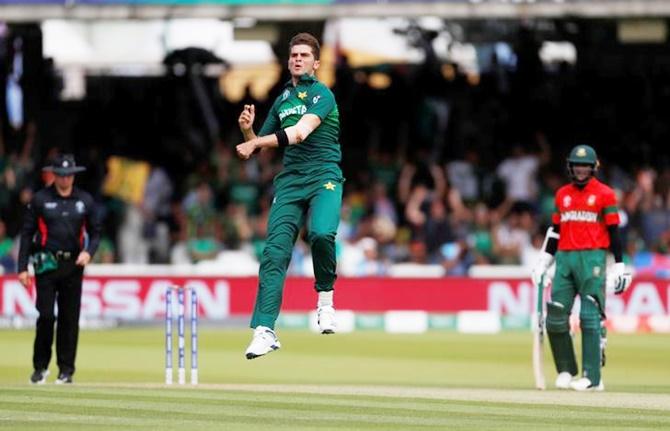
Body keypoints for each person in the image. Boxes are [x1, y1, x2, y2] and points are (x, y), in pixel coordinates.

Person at [235, 32, 343, 359]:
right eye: (293, 55)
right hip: (291, 183)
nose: (297, 59)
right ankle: (264, 330)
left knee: (322, 234)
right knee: (274, 252)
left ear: (316, 62)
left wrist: (254, 141)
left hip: (324, 176)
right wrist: (248, 131)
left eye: (304, 55)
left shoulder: (322, 95)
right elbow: (260, 145)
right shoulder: (282, 100)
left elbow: (298, 133)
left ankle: (325, 301)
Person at [532, 145, 632, 391]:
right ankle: (566, 369)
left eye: (585, 165)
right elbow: (555, 230)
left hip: (593, 258)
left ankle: (592, 378)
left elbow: (614, 231)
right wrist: (545, 259)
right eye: (577, 165)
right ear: (570, 166)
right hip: (564, 258)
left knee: (589, 316)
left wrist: (619, 264)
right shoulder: (561, 195)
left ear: (593, 167)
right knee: (556, 316)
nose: (580, 169)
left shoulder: (605, 194)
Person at [18, 154, 101, 384]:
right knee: (46, 316)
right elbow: (26, 234)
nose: (65, 180)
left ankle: (66, 370)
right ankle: (40, 367)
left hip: (73, 265)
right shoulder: (40, 199)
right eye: (61, 175)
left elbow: (96, 232)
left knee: (69, 319)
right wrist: (22, 267)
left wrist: (88, 252)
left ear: (74, 175)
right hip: (46, 263)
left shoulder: (85, 200)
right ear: (53, 174)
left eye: (68, 175)